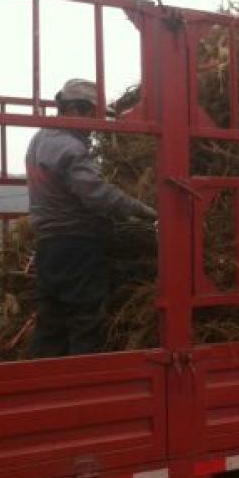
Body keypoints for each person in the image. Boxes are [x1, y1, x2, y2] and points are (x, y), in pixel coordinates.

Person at [25, 78, 156, 357]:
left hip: (48, 246)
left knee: (51, 322)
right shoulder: (69, 148)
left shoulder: (40, 138)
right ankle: (82, 386)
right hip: (76, 247)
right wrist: (140, 210)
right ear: (76, 109)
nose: (96, 126)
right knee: (85, 320)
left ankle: (45, 385)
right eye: (93, 116)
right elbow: (97, 194)